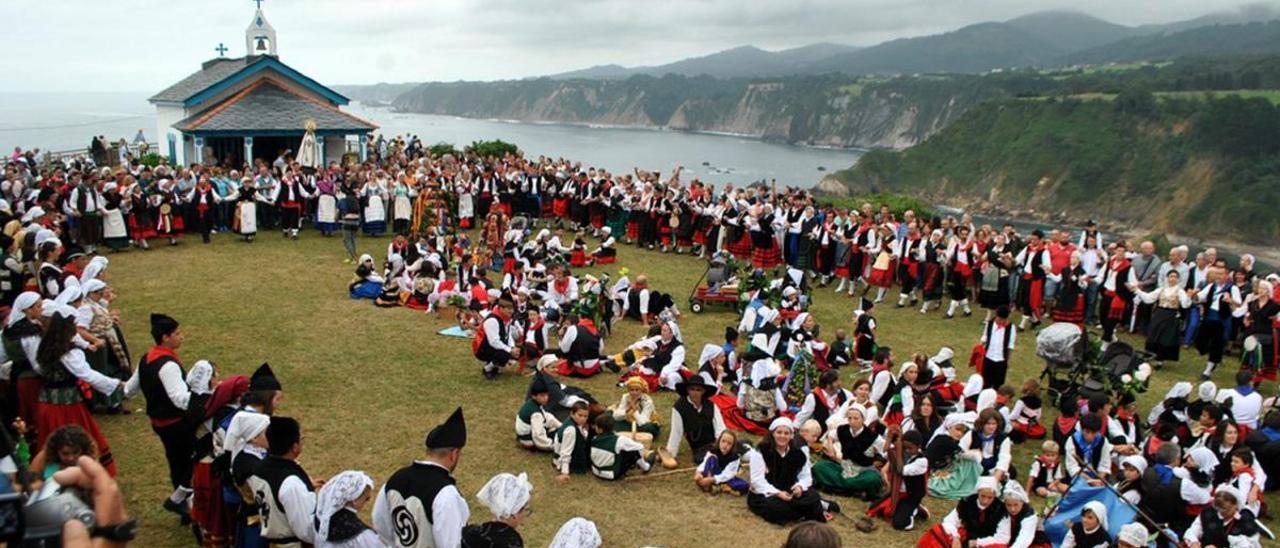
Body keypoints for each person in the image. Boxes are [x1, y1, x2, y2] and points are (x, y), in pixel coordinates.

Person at [246, 417, 317, 547]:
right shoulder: (291, 482)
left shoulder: (258, 469)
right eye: (301, 440)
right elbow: (306, 530)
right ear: (294, 447)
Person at [746, 417, 826, 524]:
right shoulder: (761, 451)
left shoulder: (798, 453)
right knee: (774, 508)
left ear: (791, 435)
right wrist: (778, 493)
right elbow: (757, 481)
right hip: (768, 494)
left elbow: (806, 476)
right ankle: (803, 512)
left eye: (786, 433)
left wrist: (800, 487)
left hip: (789, 491)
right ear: (772, 434)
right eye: (779, 432)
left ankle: (799, 512)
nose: (782, 436)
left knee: (814, 497)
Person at [812, 404, 883, 499]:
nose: (852, 421)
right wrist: (831, 448)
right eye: (850, 418)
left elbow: (887, 450)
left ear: (863, 419)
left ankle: (836, 486)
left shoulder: (872, 436)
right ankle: (853, 489)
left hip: (862, 471)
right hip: (844, 468)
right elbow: (830, 436)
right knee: (819, 467)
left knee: (873, 478)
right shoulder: (843, 429)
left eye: (856, 418)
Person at [917, 477, 1004, 548]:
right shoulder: (967, 503)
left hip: (987, 543)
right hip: (966, 540)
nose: (985, 501)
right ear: (978, 492)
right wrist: (955, 537)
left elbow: (1002, 537)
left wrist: (978, 542)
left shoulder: (1000, 508)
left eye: (990, 498)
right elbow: (949, 521)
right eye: (983, 496)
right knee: (938, 531)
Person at [662, 375, 726, 467]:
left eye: (698, 390)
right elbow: (676, 432)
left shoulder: (711, 405)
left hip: (716, 443)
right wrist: (670, 455)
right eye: (692, 389)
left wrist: (722, 445)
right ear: (688, 390)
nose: (695, 392)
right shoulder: (679, 408)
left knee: (735, 450)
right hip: (700, 449)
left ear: (703, 391)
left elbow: (720, 429)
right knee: (704, 460)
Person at [462, 472, 532, 548]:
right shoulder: (512, 543)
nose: (525, 515)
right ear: (514, 513)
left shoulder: (471, 533)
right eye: (526, 510)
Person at [314, 470, 381, 548]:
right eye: (366, 498)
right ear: (354, 500)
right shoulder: (362, 536)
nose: (368, 501)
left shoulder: (321, 521)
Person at [971, 482, 1049, 548]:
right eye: (1009, 505)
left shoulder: (1029, 515)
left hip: (1033, 544)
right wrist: (978, 542)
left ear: (1022, 502)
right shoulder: (1004, 513)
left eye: (1016, 505)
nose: (1012, 509)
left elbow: (1024, 540)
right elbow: (1002, 538)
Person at [1183, 486, 1262, 548]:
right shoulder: (1208, 513)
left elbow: (1251, 545)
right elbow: (1192, 531)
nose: (1221, 513)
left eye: (1226, 510)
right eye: (1218, 509)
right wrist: (1194, 543)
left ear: (1236, 506)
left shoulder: (1246, 521)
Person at [587, 414, 653, 480]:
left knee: (619, 449)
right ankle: (646, 467)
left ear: (600, 430)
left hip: (595, 471)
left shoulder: (594, 438)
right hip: (611, 474)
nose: (594, 427)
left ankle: (639, 464)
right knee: (635, 451)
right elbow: (640, 447)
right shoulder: (619, 440)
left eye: (596, 426)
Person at [694, 430, 748, 495]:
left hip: (723, 478)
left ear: (733, 446)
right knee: (711, 459)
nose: (725, 445)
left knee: (745, 485)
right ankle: (707, 484)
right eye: (723, 441)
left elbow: (728, 474)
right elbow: (704, 463)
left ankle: (719, 486)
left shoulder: (734, 457)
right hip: (711, 472)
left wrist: (713, 479)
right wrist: (698, 473)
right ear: (719, 441)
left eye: (729, 443)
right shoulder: (713, 451)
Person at [515, 375, 560, 452]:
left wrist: (560, 426)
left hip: (525, 434)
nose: (545, 398)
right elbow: (538, 435)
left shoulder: (532, 403)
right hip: (528, 440)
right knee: (558, 437)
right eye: (542, 395)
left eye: (546, 395)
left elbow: (547, 417)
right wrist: (552, 445)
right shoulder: (536, 414)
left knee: (556, 428)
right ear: (534, 396)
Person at [977, 306, 1015, 389]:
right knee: (986, 382)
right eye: (999, 319)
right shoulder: (990, 323)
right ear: (996, 316)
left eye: (1003, 320)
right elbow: (985, 336)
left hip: (1001, 359)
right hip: (988, 356)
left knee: (998, 383)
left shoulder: (1011, 327)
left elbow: (1010, 345)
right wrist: (980, 346)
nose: (1001, 322)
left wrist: (1007, 359)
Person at [553, 402, 592, 480]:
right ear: (572, 414)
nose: (583, 419)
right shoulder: (571, 429)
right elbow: (566, 451)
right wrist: (565, 472)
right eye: (580, 415)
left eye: (585, 416)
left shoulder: (573, 422)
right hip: (566, 460)